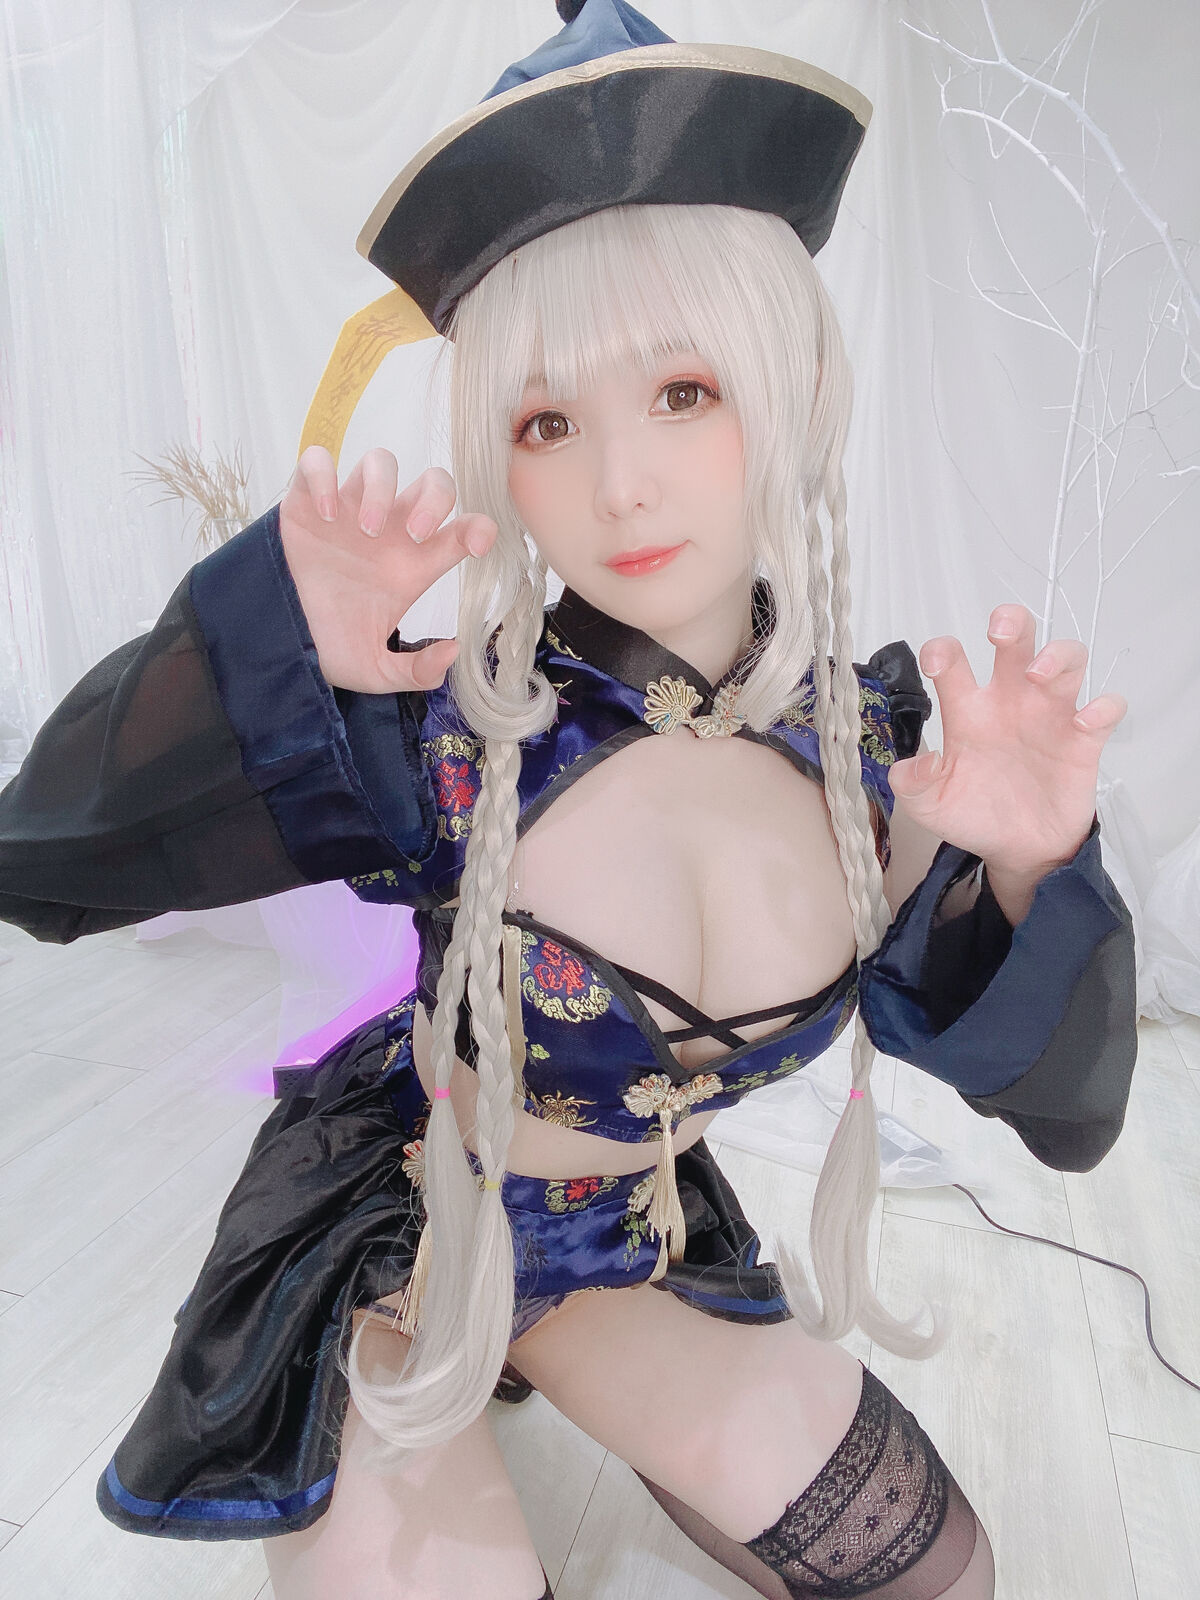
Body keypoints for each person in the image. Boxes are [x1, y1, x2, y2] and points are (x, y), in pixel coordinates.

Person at [0, 4, 1136, 1597]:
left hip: (627, 1246)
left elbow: (1067, 1112)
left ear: (795, 382)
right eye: (546, 422)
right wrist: (275, 650)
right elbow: (45, 859)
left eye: (683, 391)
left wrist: (1031, 868)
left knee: (935, 1573)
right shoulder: (454, 731)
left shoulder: (866, 747)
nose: (618, 484)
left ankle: (588, 1370)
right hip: (408, 1235)